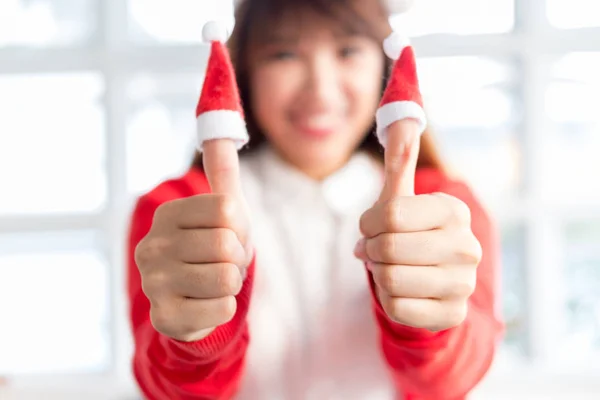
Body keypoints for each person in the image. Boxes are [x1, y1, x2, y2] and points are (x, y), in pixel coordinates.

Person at [126, 0, 505, 399]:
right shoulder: (176, 213)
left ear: (384, 64)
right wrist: (196, 337)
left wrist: (429, 323)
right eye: (284, 53)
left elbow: (451, 381)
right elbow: (167, 388)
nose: (320, 91)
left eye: (347, 51)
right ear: (245, 72)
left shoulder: (445, 208)